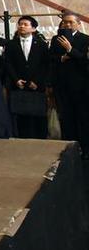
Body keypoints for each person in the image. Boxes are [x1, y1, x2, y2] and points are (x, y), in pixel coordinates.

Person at [49, 12, 89, 156]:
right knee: (66, 118)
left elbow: (85, 60)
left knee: (82, 118)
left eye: (70, 22)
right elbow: (51, 58)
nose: (67, 25)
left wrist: (70, 49)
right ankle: (68, 150)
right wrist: (61, 58)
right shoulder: (56, 39)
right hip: (62, 85)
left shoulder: (85, 39)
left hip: (80, 86)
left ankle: (85, 149)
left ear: (78, 23)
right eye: (65, 22)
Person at [4, 16, 49, 139]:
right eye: (20, 24)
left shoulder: (41, 44)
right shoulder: (11, 44)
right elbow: (8, 63)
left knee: (38, 116)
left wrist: (37, 81)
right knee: (21, 117)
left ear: (33, 28)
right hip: (19, 85)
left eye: (25, 24)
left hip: (36, 86)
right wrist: (16, 79)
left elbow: (45, 64)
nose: (21, 26)